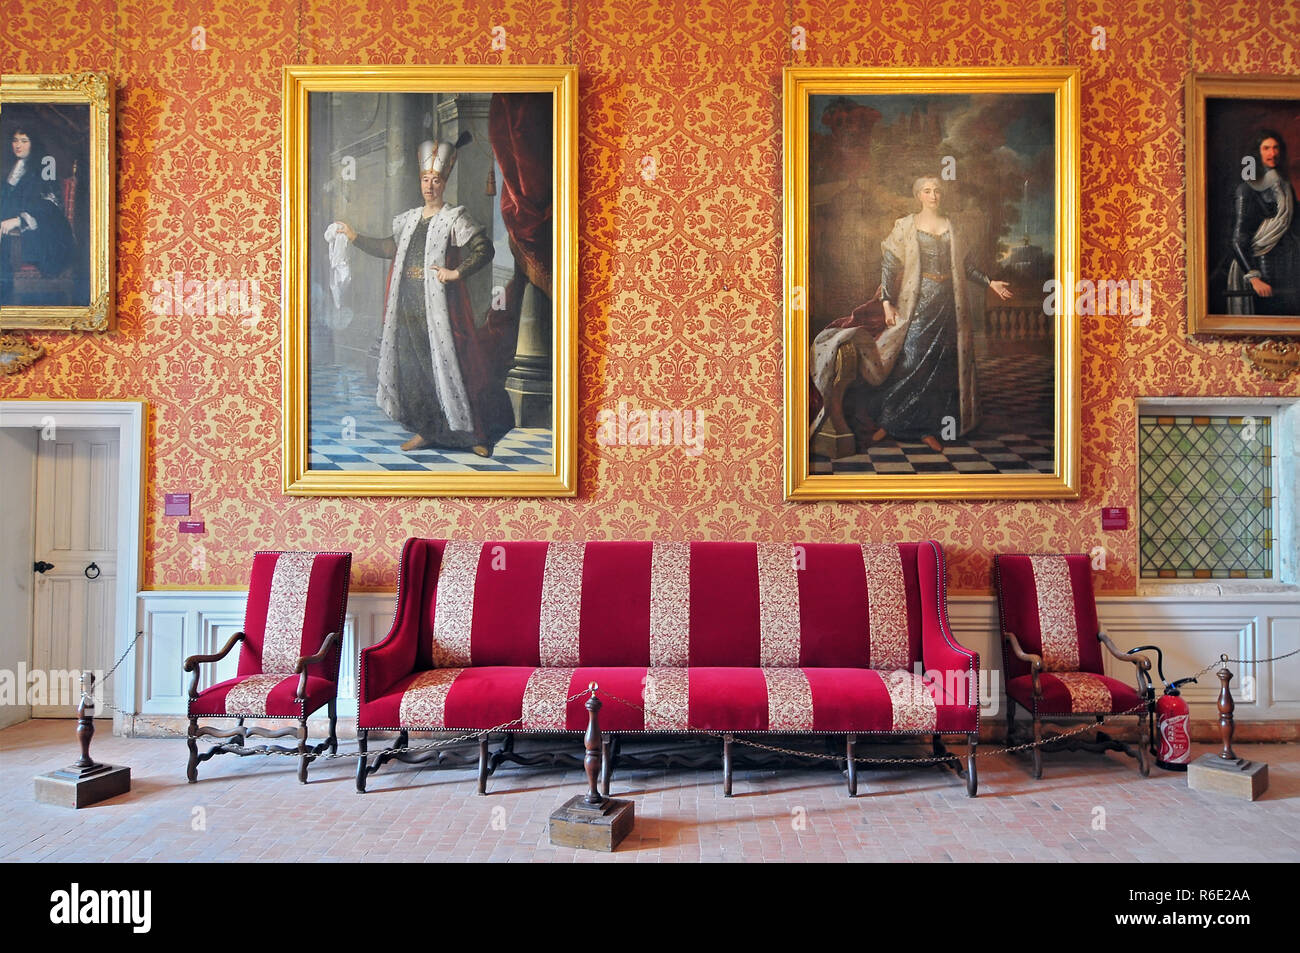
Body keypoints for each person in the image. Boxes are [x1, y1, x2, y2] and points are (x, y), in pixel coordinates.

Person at [334, 135, 513, 457]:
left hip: (442, 307)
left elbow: (484, 249)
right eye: (426, 180)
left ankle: (476, 435)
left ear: (444, 183)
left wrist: (456, 273)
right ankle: (428, 430)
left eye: (436, 180)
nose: (430, 186)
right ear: (421, 182)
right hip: (407, 305)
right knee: (416, 369)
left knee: (459, 365)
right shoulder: (409, 219)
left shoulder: (454, 217)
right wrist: (354, 236)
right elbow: (390, 248)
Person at [869, 176, 1011, 453]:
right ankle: (891, 420)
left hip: (949, 304)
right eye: (927, 191)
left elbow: (965, 266)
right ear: (918, 195)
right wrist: (887, 303)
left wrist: (989, 282)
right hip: (917, 302)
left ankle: (928, 428)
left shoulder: (953, 227)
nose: (933, 195)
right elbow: (888, 263)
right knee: (910, 361)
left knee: (942, 366)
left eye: (937, 191)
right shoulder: (906, 225)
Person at [1225, 129, 1300, 317]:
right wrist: (1254, 278)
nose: (1272, 153)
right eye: (1266, 148)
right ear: (1257, 153)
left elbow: (1294, 228)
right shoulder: (1246, 189)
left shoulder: (1285, 186)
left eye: (1275, 148)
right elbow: (1238, 239)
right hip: (1261, 270)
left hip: (1289, 271)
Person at [1, 126, 76, 305]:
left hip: (46, 226)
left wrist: (19, 220)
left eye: (24, 141)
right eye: (15, 140)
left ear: (33, 143)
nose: (18, 145)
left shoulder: (45, 164)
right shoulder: (16, 166)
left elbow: (49, 203)